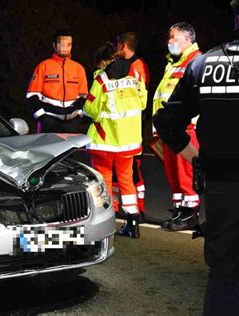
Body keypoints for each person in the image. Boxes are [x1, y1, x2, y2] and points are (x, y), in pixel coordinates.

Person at [153, 3, 239, 313]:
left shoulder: (204, 63)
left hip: (221, 188)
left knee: (224, 276)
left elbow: (166, 122)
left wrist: (197, 159)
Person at [84, 44, 147, 238]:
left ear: (103, 62)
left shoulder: (101, 79)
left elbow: (91, 109)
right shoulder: (135, 76)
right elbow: (143, 103)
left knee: (103, 181)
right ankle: (132, 221)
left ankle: (106, 222)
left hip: (104, 141)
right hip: (129, 141)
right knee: (126, 181)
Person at [152, 22, 202, 231]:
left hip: (186, 127)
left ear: (186, 39)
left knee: (186, 173)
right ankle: (181, 208)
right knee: (174, 173)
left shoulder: (196, 61)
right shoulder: (174, 62)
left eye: (173, 37)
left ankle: (191, 212)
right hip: (171, 127)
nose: (169, 42)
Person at [112, 32, 151, 220]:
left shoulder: (136, 67)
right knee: (125, 171)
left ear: (123, 46)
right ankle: (123, 206)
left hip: (132, 128)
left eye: (117, 45)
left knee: (133, 171)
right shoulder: (134, 65)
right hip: (127, 127)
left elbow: (138, 98)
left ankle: (138, 208)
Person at [27, 29, 88, 133]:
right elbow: (32, 95)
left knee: (70, 149)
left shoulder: (79, 68)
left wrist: (78, 115)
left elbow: (84, 96)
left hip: (71, 122)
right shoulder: (43, 66)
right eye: (62, 44)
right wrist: (41, 117)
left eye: (69, 44)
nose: (66, 48)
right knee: (46, 149)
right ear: (54, 45)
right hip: (49, 120)